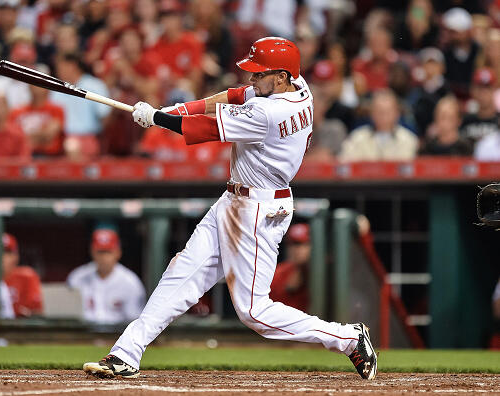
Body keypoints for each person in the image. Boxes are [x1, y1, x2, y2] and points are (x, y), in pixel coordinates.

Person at [83, 37, 378, 381]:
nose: (252, 79)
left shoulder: (269, 113)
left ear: (281, 77)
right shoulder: (299, 85)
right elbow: (238, 95)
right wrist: (181, 108)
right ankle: (126, 352)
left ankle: (348, 338)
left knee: (254, 311)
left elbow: (208, 128)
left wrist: (159, 118)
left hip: (258, 210)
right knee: (182, 273)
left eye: (259, 73)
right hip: (236, 199)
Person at [67, 229, 145, 324]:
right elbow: (69, 316)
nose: (104, 257)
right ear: (92, 252)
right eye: (100, 252)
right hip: (85, 334)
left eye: (108, 252)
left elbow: (134, 321)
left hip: (117, 335)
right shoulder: (77, 277)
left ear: (118, 253)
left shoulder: (130, 282)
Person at [339, 89, 418, 162]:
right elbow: (345, 164)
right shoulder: (357, 138)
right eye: (379, 111)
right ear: (371, 113)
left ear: (397, 113)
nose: (383, 116)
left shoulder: (409, 140)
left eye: (387, 112)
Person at [8, 64, 65, 157]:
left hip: (49, 157)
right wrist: (40, 135)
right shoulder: (17, 112)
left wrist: (27, 137)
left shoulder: (57, 109)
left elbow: (49, 135)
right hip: (23, 157)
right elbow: (13, 138)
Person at [269, 223, 311, 312]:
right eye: (291, 244)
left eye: (302, 244)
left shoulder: (324, 271)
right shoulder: (278, 273)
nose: (295, 249)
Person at [1, 233, 43, 318]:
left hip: (19, 329)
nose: (2, 257)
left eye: (7, 253)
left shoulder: (27, 276)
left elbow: (36, 314)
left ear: (16, 257)